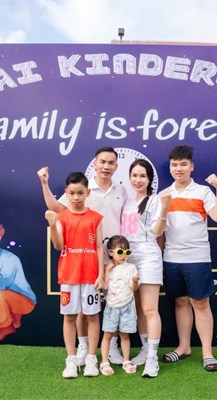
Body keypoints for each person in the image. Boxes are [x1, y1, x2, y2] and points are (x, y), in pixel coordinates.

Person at [37, 146, 127, 366]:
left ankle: (111, 346)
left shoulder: (121, 190)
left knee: (114, 303)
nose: (106, 166)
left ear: (116, 166)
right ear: (94, 164)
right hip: (84, 259)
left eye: (111, 163)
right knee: (81, 309)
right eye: (102, 162)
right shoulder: (83, 187)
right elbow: (56, 208)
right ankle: (84, 346)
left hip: (114, 256)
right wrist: (44, 184)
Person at [160, 145, 217, 372]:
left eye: (183, 164)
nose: (178, 168)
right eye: (174, 165)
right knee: (180, 302)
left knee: (200, 304)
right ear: (170, 168)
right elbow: (160, 232)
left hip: (197, 257)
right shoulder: (163, 195)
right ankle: (184, 347)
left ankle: (207, 352)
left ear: (192, 166)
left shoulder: (202, 192)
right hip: (172, 258)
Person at [45, 171, 104, 378]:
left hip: (90, 276)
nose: (76, 197)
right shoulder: (61, 217)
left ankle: (91, 358)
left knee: (92, 316)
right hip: (69, 275)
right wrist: (52, 225)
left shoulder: (96, 218)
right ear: (66, 193)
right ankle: (71, 360)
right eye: (72, 193)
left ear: (88, 192)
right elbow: (58, 245)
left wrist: (101, 275)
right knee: (69, 317)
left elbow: (99, 247)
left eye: (80, 193)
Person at [120, 159, 170, 377]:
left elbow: (158, 231)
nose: (138, 180)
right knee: (138, 308)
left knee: (150, 309)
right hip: (128, 257)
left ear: (150, 179)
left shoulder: (156, 200)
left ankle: (152, 358)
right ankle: (145, 348)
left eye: (143, 176)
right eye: (134, 175)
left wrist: (165, 208)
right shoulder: (127, 201)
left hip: (148, 255)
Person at [99, 235, 139, 376]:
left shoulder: (131, 268)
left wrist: (135, 281)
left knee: (125, 335)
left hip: (127, 307)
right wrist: (106, 270)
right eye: (120, 252)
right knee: (107, 335)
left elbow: (134, 288)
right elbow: (104, 287)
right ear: (110, 252)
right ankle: (104, 362)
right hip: (111, 307)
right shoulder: (108, 268)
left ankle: (126, 360)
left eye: (127, 252)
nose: (124, 255)